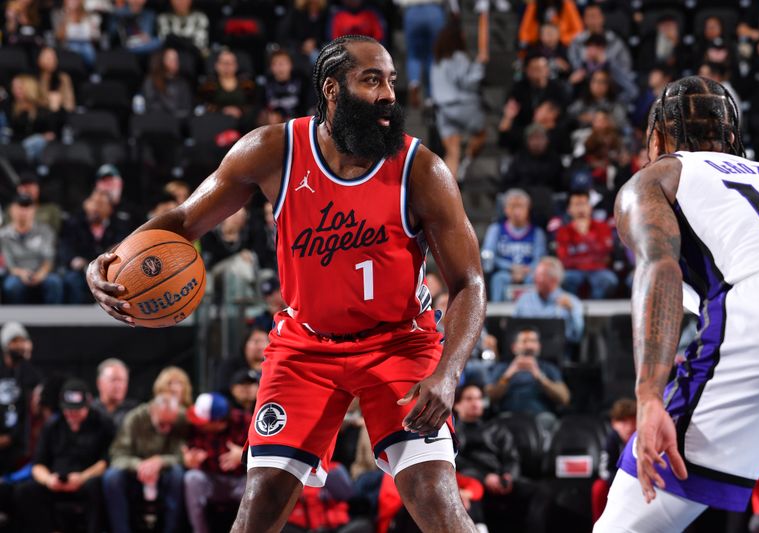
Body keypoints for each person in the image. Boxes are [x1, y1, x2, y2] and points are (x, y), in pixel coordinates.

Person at [87, 34, 486, 533]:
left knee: (435, 500)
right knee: (260, 504)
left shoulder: (421, 169)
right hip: (305, 346)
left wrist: (447, 373)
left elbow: (469, 281)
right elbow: (184, 222)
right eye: (371, 80)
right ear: (332, 90)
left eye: (390, 80)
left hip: (399, 342)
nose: (388, 94)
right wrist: (106, 262)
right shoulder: (273, 150)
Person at [595, 76, 759, 531]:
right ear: (731, 137)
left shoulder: (660, 174)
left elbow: (659, 269)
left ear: (657, 137)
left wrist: (649, 397)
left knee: (626, 523)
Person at [14, 379, 115, 533]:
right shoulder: (52, 425)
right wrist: (49, 480)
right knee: (24, 491)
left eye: (77, 410)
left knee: (96, 487)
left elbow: (107, 461)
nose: (71, 414)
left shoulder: (103, 424)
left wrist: (82, 478)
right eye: (68, 410)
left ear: (87, 404)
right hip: (55, 483)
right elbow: (38, 464)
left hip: (86, 481)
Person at [103, 393, 187, 533]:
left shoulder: (181, 419)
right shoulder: (134, 418)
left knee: (178, 474)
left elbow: (184, 457)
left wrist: (161, 461)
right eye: (162, 423)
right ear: (152, 410)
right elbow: (117, 455)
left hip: (165, 475)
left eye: (170, 424)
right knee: (112, 477)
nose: (166, 428)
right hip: (134, 475)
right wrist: (139, 465)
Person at [453, 383, 529, 533]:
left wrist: (508, 476)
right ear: (456, 405)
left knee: (539, 493)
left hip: (502, 479)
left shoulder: (497, 428)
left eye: (479, 398)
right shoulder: (452, 433)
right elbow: (458, 462)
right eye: (469, 399)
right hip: (473, 480)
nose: (475, 403)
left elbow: (511, 457)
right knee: (469, 492)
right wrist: (485, 477)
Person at [183, 392, 250, 533]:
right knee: (192, 478)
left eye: (202, 422)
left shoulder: (245, 422)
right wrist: (189, 459)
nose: (197, 423)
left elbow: (267, 457)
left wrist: (244, 455)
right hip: (212, 480)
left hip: (240, 481)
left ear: (218, 422)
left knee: (254, 486)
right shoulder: (194, 427)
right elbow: (186, 449)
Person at [430, 18, 488, 180]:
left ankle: (450, 185)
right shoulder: (459, 57)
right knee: (481, 134)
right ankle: (467, 160)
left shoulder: (436, 61)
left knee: (452, 152)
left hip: (442, 110)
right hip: (462, 106)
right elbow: (469, 83)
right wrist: (479, 64)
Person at [486, 328, 570, 428]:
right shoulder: (502, 368)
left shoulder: (549, 368)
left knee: (548, 421)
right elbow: (489, 397)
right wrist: (507, 376)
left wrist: (540, 377)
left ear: (539, 346)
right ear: (514, 347)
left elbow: (564, 398)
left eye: (533, 341)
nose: (529, 345)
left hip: (540, 417)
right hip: (508, 416)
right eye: (524, 341)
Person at [60, 189, 130, 303]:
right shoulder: (74, 223)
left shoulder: (119, 224)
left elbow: (123, 246)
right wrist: (73, 259)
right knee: (72, 280)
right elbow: (65, 247)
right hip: (81, 270)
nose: (95, 208)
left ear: (110, 208)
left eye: (100, 204)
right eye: (93, 203)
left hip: (110, 270)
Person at [481, 189, 547, 302]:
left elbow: (540, 259)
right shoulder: (496, 230)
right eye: (512, 206)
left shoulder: (537, 232)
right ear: (505, 209)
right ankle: (497, 317)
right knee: (498, 279)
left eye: (520, 206)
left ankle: (535, 315)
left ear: (528, 208)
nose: (517, 211)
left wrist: (526, 270)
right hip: (504, 273)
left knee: (536, 279)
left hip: (529, 274)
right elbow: (488, 256)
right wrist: (511, 268)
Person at [0, 194, 63, 304]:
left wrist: (41, 273)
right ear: (12, 210)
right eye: (20, 207)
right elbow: (8, 263)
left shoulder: (45, 231)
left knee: (54, 282)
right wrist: (21, 273)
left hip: (42, 272)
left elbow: (49, 258)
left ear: (33, 210)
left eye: (27, 207)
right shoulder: (4, 235)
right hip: (16, 274)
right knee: (11, 286)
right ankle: (16, 319)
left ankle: (52, 319)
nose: (23, 211)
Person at [555, 189, 618, 299]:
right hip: (574, 271)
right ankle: (573, 308)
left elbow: (606, 256)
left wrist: (587, 237)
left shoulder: (602, 227)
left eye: (583, 204)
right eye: (576, 205)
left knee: (609, 280)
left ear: (590, 207)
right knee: (565, 279)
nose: (580, 209)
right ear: (569, 209)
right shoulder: (563, 231)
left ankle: (598, 310)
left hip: (598, 270)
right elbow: (564, 260)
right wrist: (589, 260)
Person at [0, 322, 41, 475]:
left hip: (19, 444)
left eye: (21, 341)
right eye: (14, 341)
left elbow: (33, 411)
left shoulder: (30, 373)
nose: (18, 346)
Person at [513, 257, 584, 344]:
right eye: (535, 275)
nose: (535, 279)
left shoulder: (571, 302)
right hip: (528, 352)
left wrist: (571, 311)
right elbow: (514, 332)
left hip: (558, 353)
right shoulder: (524, 300)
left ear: (554, 279)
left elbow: (577, 336)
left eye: (540, 275)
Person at [592, 397, 636, 522]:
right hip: (617, 483)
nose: (629, 427)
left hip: (640, 484)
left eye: (633, 421)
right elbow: (604, 470)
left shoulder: (643, 440)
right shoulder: (612, 440)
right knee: (599, 487)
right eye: (623, 422)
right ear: (614, 423)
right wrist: (620, 483)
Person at [141, 47, 193, 119]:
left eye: (176, 59)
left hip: (177, 123)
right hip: (156, 121)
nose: (175, 62)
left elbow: (187, 109)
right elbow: (149, 105)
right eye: (171, 59)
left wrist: (173, 115)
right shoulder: (151, 80)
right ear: (162, 60)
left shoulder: (183, 83)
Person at [92, 358, 138, 429]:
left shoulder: (135, 411)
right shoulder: (90, 410)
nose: (118, 386)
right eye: (113, 380)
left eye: (122, 380)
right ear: (99, 383)